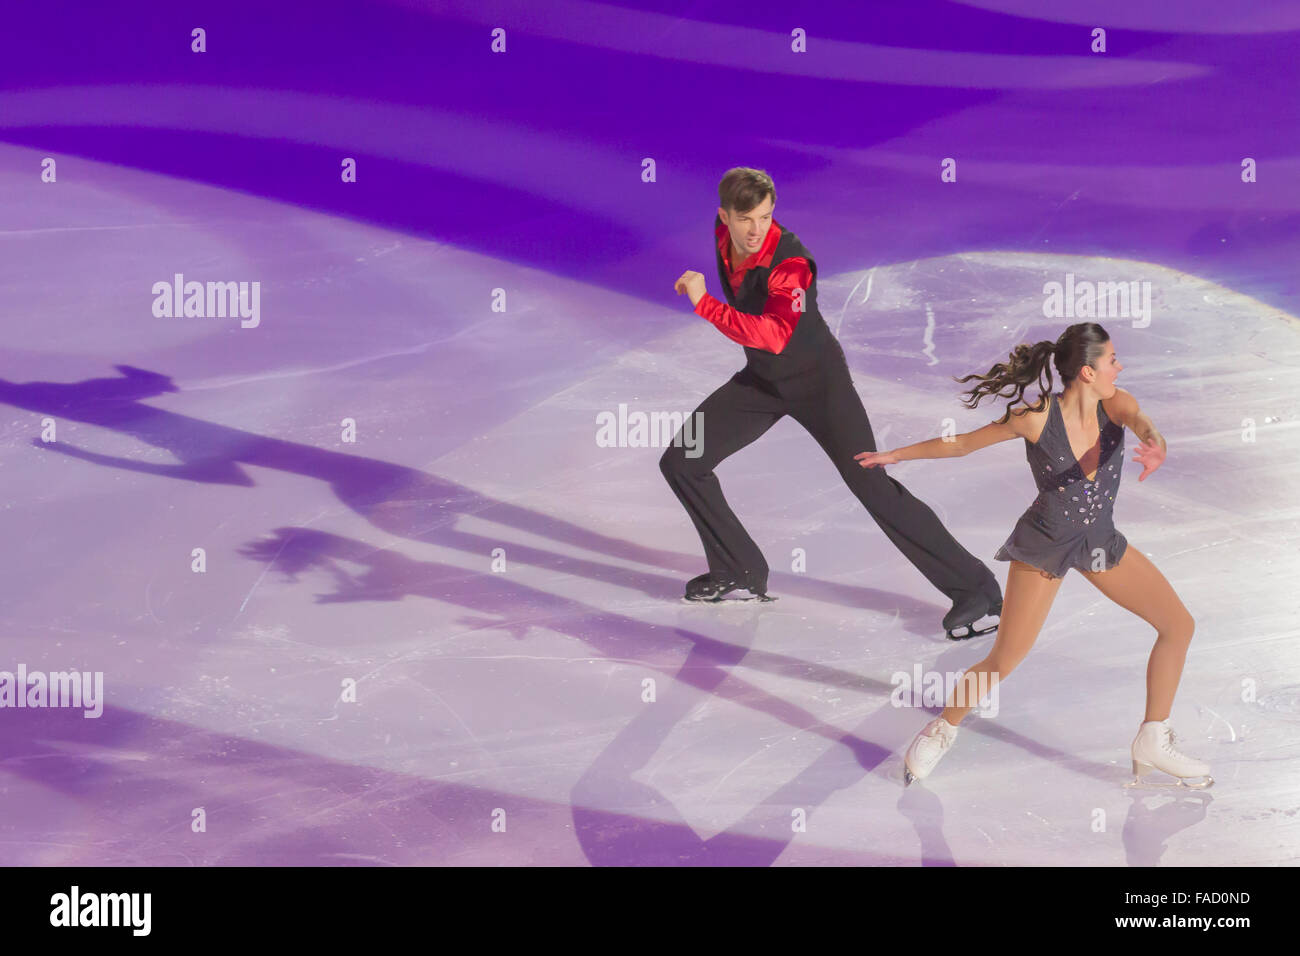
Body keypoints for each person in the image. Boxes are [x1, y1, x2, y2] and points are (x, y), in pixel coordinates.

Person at [855, 322, 1212, 788]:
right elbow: (962, 444)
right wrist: (896, 455)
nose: (1118, 367)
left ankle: (1153, 735)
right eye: (1111, 361)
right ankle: (942, 728)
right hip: (1045, 542)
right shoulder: (1036, 416)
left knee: (1177, 625)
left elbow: (1147, 427)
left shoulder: (1117, 404)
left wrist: (1156, 447)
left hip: (1098, 541)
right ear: (1087, 371)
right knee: (1006, 656)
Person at [662, 167, 1001, 640]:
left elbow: (776, 335)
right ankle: (738, 569)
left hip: (820, 384)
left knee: (872, 484)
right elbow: (763, 344)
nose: (757, 229)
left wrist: (705, 304)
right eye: (746, 219)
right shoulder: (724, 234)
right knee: (682, 460)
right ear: (725, 216)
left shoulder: (791, 263)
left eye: (765, 216)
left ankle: (977, 590)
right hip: (763, 382)